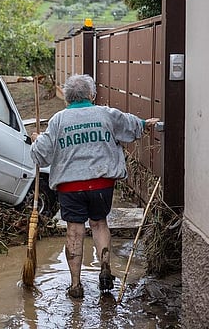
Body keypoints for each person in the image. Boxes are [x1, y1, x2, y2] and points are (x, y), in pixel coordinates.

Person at [30, 74, 159, 299]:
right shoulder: (105, 114)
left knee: (74, 231)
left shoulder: (58, 120)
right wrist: (144, 124)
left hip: (70, 187)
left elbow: (41, 156)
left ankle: (75, 285)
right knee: (99, 224)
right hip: (102, 184)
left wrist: (36, 140)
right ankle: (105, 268)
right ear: (91, 95)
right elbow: (131, 125)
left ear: (68, 98)